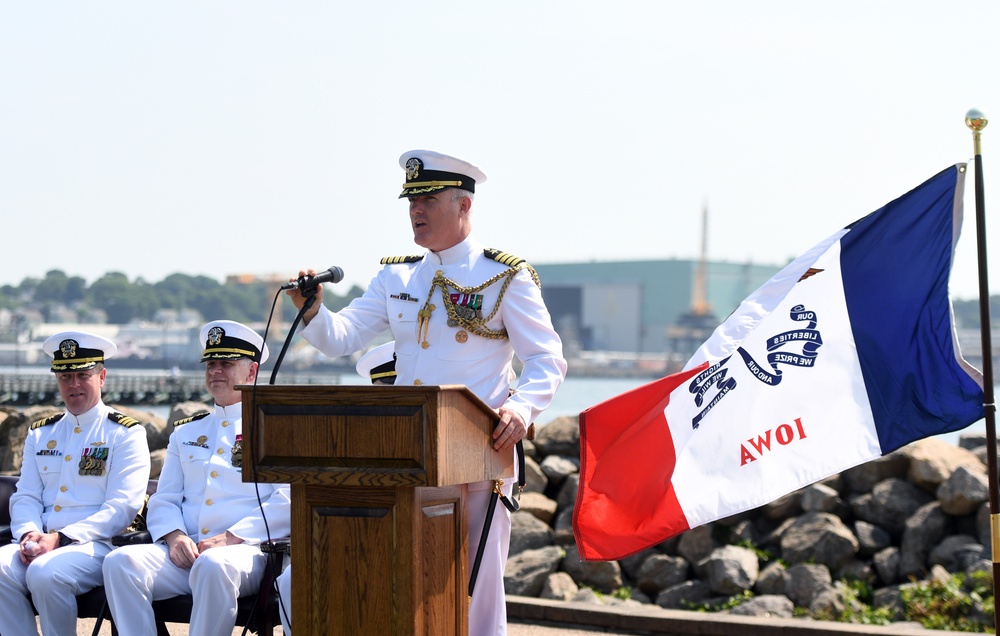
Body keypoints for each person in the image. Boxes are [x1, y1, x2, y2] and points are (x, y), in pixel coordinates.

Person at [285, 149, 567, 635]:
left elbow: (546, 358)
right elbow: (343, 337)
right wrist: (312, 311)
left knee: (475, 596)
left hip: (477, 458)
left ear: (464, 207)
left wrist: (521, 407)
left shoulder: (503, 276)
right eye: (411, 202)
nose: (416, 211)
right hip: (407, 460)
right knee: (410, 587)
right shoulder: (396, 277)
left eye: (429, 200)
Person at [102, 320, 291, 636]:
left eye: (226, 364)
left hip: (248, 553)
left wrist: (229, 538)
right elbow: (165, 498)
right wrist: (174, 537)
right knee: (120, 563)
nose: (215, 371)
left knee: (213, 565)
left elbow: (287, 499)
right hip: (186, 551)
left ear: (252, 371)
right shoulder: (187, 432)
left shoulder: (276, 429)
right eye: (211, 364)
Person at [0, 331, 151, 636]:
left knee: (45, 574)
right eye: (65, 377)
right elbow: (26, 495)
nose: (74, 385)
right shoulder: (42, 433)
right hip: (41, 539)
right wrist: (30, 532)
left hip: (96, 545)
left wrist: (61, 539)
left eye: (83, 375)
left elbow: (122, 507)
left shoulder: (124, 433)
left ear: (102, 376)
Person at [274, 339, 397, 633]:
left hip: (411, 549)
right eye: (386, 393)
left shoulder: (437, 438)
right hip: (349, 543)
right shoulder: (350, 442)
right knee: (292, 580)